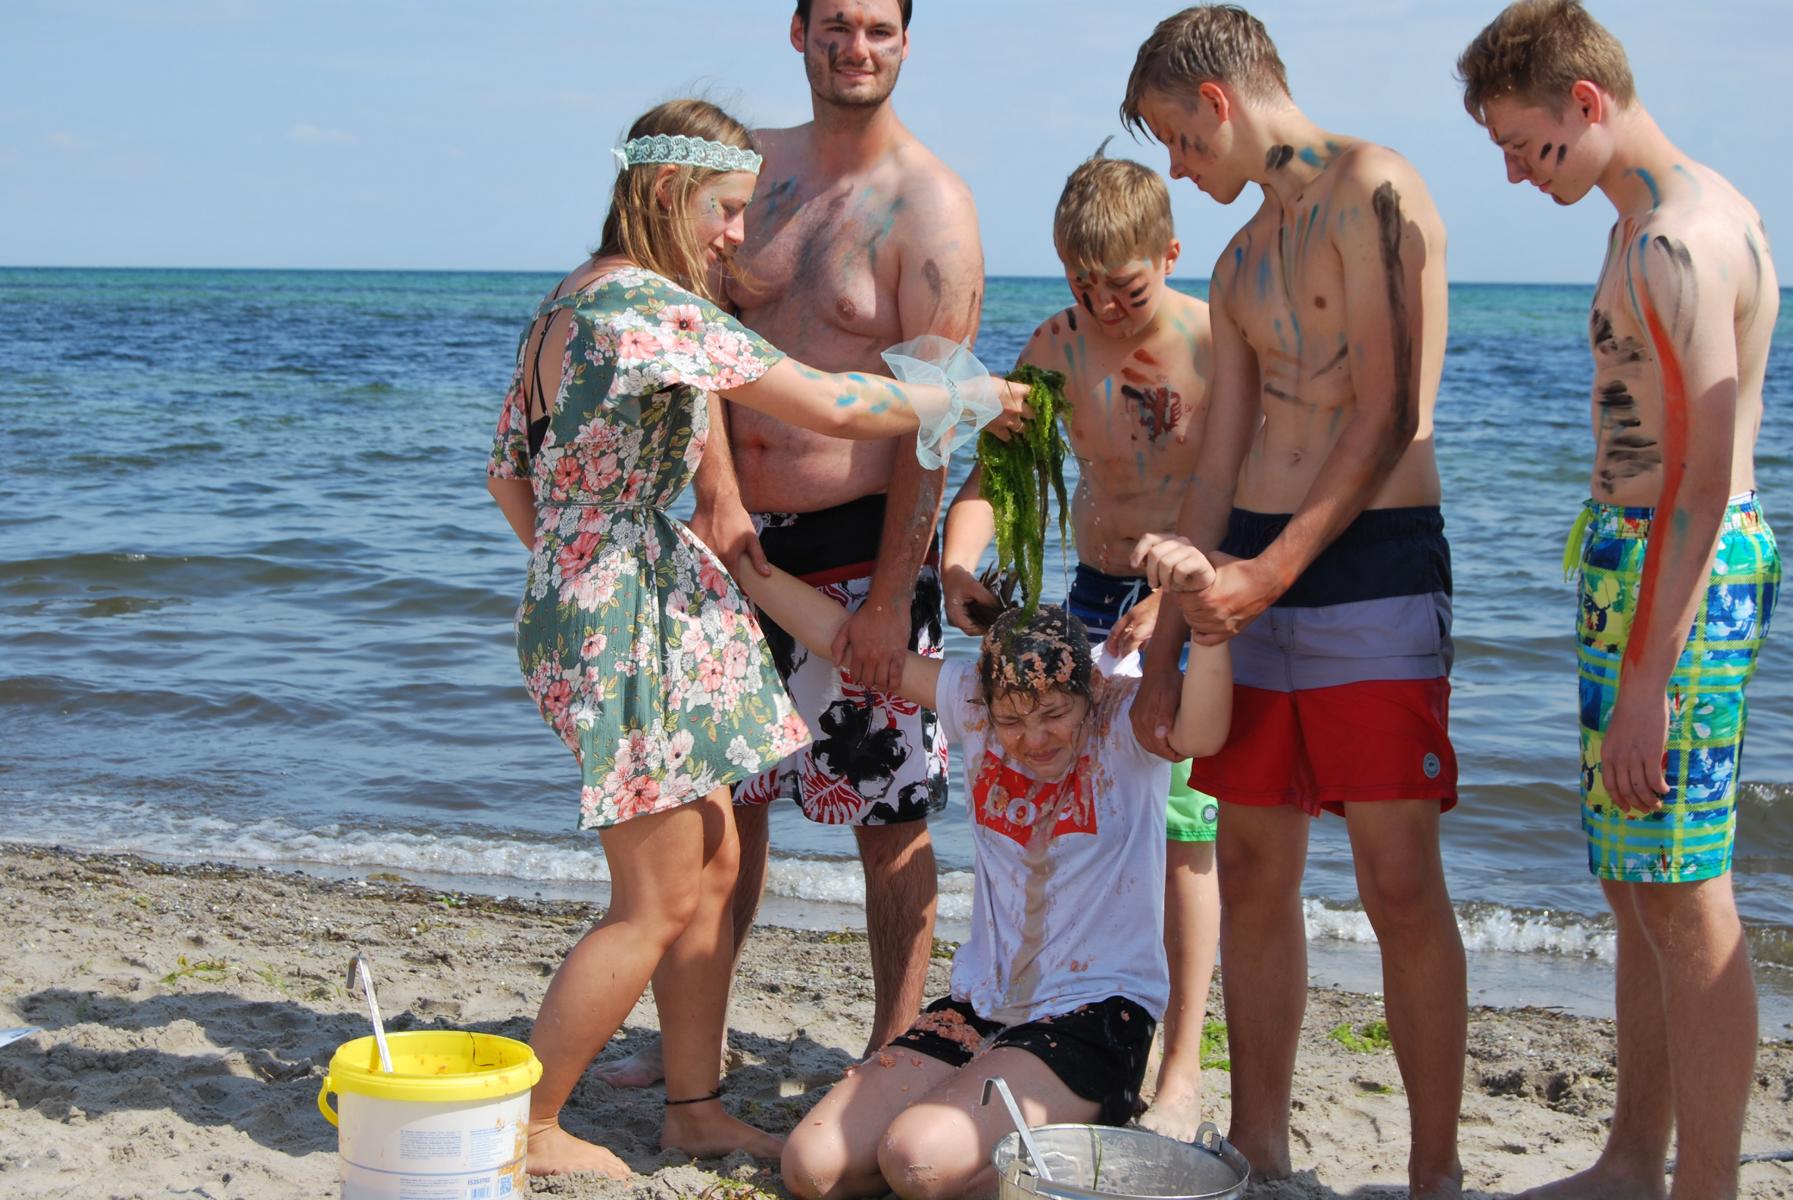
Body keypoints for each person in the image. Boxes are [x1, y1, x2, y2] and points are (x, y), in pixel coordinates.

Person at [483, 98, 1026, 1179]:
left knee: (717, 854)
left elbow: (508, 475)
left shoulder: (566, 301)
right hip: (623, 616)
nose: (739, 233)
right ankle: (530, 1126)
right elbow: (832, 402)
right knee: (652, 898)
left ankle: (693, 1109)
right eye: (725, 209)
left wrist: (576, 563)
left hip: (596, 597)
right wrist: (967, 391)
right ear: (666, 192)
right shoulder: (649, 306)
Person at [1119, 7, 1466, 1195]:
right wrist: (1166, 647)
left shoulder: (1373, 187)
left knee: (1397, 879)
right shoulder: (1233, 262)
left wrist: (1270, 575)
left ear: (1216, 102)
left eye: (1177, 137)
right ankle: (1258, 1148)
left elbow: (1389, 411)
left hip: (1370, 561)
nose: (1176, 168)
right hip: (1246, 574)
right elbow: (1214, 465)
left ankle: (1432, 1172)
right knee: (1254, 869)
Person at [1457, 6, 1780, 1197]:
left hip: (1678, 569)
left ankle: (1703, 1186)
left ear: (1584, 105)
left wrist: (1646, 681)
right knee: (1634, 880)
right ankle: (1634, 1161)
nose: (1512, 172)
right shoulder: (1644, 222)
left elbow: (1702, 477)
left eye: (1521, 144)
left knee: (1684, 893)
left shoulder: (1678, 241)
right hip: (1631, 561)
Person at [736, 535, 1230, 1200]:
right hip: (983, 1003)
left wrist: (1202, 609)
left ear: (1089, 691)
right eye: (1012, 720)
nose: (1034, 739)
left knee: (916, 1158)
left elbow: (1204, 733)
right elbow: (844, 642)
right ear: (985, 703)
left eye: (1054, 714)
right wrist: (745, 561)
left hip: (1095, 1013)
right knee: (811, 1166)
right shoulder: (969, 702)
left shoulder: (1122, 720)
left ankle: (1088, 1118)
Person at [698, 0, 984, 1069]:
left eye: (877, 29)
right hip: (730, 541)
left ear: (905, 42)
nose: (854, 48)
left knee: (890, 817)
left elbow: (934, 421)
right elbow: (692, 340)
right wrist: (715, 499)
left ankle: (891, 1050)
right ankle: (696, 1042)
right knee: (719, 811)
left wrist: (892, 597)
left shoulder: (931, 206)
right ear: (797, 31)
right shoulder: (746, 171)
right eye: (835, 25)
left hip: (865, 550)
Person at [940, 147, 1220, 1138]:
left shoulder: (1211, 344)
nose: (1102, 305)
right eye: (1080, 283)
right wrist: (957, 567)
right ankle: (1064, 1013)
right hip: (1095, 599)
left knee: (1181, 833)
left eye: (1125, 288)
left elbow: (1247, 494)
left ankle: (1180, 1070)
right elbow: (994, 479)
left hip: (1186, 594)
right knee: (1084, 817)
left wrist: (1177, 602)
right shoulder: (1056, 347)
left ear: (1170, 255)